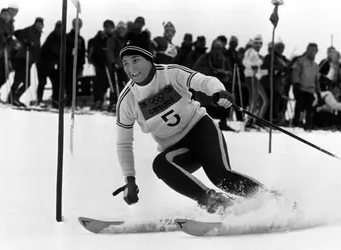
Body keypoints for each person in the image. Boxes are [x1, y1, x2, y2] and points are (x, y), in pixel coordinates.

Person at [113, 31, 271, 214]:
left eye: (135, 60)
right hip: (178, 148)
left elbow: (203, 81)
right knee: (161, 165)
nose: (131, 68)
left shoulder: (171, 73)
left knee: (221, 177)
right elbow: (124, 144)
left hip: (201, 130)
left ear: (149, 58)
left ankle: (272, 200)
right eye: (125, 63)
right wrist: (129, 180)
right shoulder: (127, 100)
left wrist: (219, 91)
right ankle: (217, 203)